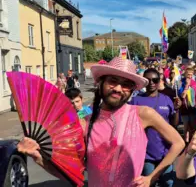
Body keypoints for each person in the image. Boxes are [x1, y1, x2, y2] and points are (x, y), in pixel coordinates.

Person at [17, 57, 185, 187]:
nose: (118, 89)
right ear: (101, 82)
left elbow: (178, 142)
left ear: (132, 90)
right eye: (113, 81)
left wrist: (151, 178)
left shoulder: (142, 114)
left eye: (126, 85)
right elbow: (73, 174)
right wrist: (37, 156)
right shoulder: (85, 123)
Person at [130, 68, 181, 187]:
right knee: (148, 183)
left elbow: (174, 124)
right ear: (144, 82)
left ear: (159, 81)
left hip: (165, 152)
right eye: (148, 80)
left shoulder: (166, 99)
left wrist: (177, 110)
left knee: (168, 183)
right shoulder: (136, 101)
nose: (152, 82)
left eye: (155, 80)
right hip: (146, 153)